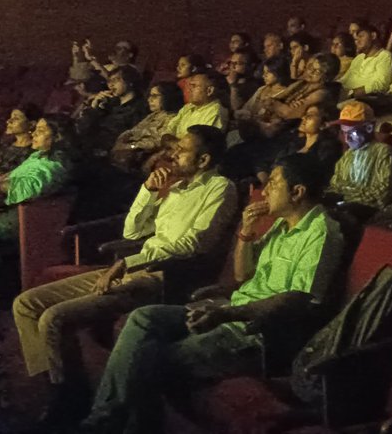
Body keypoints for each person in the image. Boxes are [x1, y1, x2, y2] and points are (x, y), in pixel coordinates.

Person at [81, 152, 344, 434]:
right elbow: (243, 275)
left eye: (274, 184)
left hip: (258, 334)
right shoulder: (282, 225)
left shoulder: (322, 232)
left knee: (150, 360)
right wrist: (245, 232)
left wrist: (226, 313)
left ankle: (110, 424)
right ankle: (106, 420)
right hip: (231, 311)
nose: (265, 190)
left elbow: (297, 300)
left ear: (297, 192)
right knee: (143, 318)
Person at [13, 126, 236, 418]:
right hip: (131, 266)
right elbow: (132, 231)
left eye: (182, 150)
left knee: (53, 318)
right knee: (26, 304)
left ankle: (67, 401)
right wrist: (148, 192)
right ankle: (60, 387)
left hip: (160, 276)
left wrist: (129, 262)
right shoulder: (177, 187)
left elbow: (193, 243)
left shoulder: (220, 187)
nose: (173, 155)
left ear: (204, 160)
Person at [0, 116, 71, 241]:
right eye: (36, 129)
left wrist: (2, 185)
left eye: (41, 131)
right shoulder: (38, 156)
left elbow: (27, 187)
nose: (34, 133)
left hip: (20, 221)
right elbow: (12, 176)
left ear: (57, 137)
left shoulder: (54, 165)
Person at [326, 102, 392, 211]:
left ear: (369, 128)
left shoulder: (382, 152)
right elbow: (335, 184)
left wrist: (346, 194)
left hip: (368, 210)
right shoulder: (348, 155)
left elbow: (383, 194)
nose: (346, 139)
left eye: (352, 133)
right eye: (344, 133)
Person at [110, 83, 185, 175]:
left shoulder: (172, 118)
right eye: (150, 96)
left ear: (167, 97)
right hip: (127, 151)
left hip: (138, 158)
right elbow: (133, 131)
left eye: (155, 96)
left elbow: (156, 142)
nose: (149, 99)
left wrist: (130, 146)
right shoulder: (153, 115)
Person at [75, 66, 149, 157]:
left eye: (116, 80)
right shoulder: (108, 103)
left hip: (108, 154)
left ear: (129, 81)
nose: (111, 85)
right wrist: (94, 106)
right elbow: (82, 127)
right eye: (109, 81)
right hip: (88, 147)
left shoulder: (139, 108)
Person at [337, 23, 392, 102]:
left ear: (373, 36)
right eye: (355, 39)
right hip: (343, 95)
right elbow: (346, 79)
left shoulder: (385, 56)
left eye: (361, 36)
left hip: (363, 100)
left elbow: (380, 85)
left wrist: (352, 93)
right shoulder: (359, 58)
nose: (357, 41)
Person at [166, 71, 229, 137]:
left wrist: (172, 142)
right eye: (190, 86)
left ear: (209, 91)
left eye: (194, 86)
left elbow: (198, 143)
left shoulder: (216, 112)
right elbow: (169, 130)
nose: (188, 90)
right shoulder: (188, 107)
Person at [0, 103, 40, 175]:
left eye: (16, 118)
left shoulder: (33, 153)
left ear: (31, 124)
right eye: (10, 117)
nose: (9, 121)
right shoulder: (5, 144)